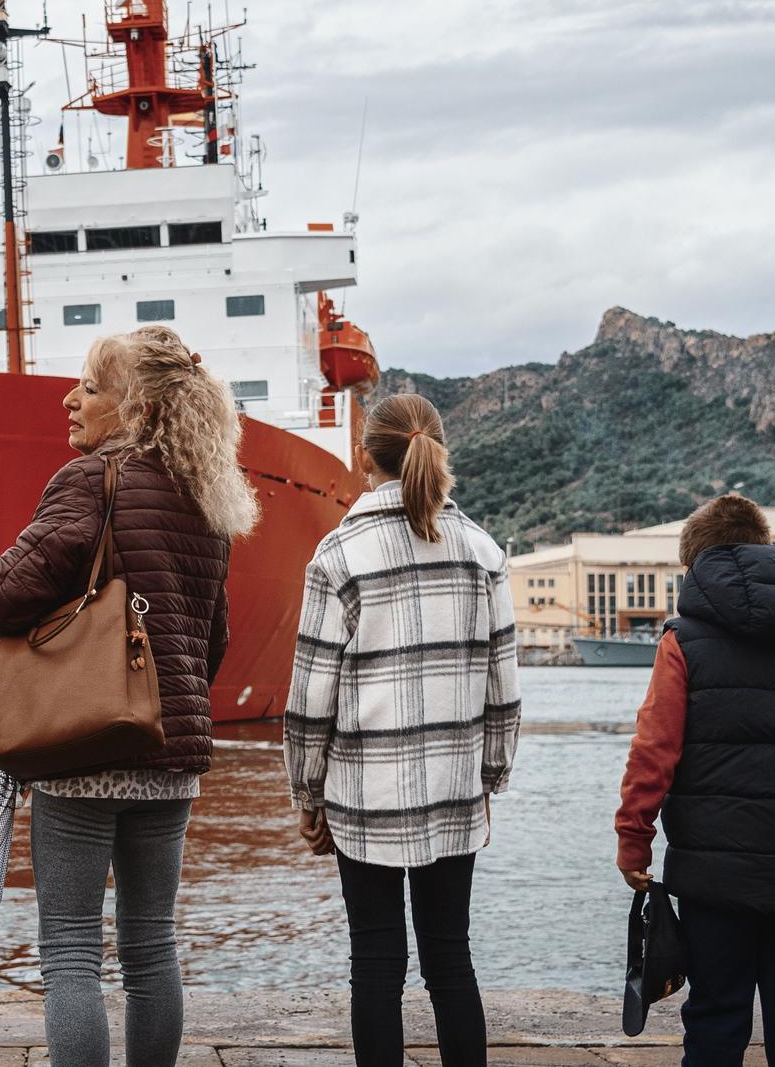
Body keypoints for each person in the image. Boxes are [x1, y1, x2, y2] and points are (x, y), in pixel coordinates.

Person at [0, 324, 255, 1067]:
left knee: (71, 949)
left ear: (132, 406)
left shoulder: (88, 480)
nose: (71, 399)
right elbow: (212, 637)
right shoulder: (207, 499)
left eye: (90, 388)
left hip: (85, 745)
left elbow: (5, 599)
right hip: (169, 753)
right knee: (151, 945)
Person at [283, 392, 520, 1067]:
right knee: (451, 958)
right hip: (453, 791)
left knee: (376, 961)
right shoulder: (483, 552)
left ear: (365, 456)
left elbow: (309, 701)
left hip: (363, 796)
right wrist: (489, 780)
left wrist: (309, 793)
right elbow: (505, 692)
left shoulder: (338, 555)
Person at [614, 494, 775, 1067]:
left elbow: (653, 752)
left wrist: (634, 839)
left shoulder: (682, 644)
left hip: (715, 876)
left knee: (715, 1017)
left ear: (695, 569)